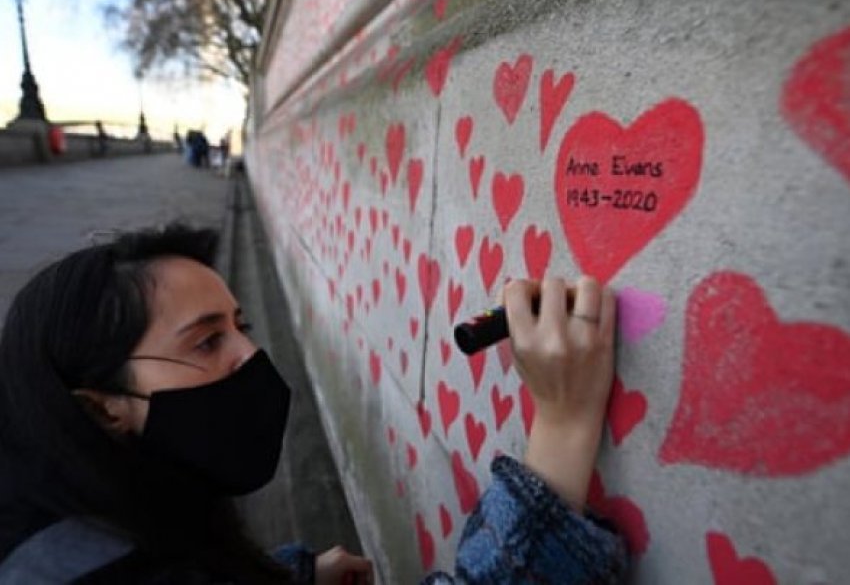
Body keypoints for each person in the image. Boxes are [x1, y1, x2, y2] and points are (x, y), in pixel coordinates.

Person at [0, 223, 626, 583]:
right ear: (102, 408)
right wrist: (565, 424)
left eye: (241, 325)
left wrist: (286, 581)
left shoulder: (56, 491)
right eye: (207, 340)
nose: (250, 356)